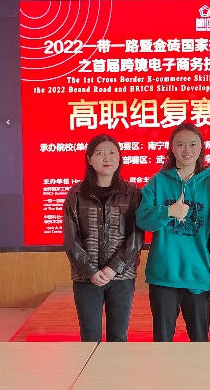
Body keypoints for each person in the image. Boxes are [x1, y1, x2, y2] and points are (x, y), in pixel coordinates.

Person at [136, 123, 210, 342]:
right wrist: (167, 212)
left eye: (193, 144)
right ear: (171, 148)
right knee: (162, 343)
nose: (187, 150)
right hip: (164, 274)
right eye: (180, 144)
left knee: (199, 342)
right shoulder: (158, 181)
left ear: (201, 147)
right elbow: (142, 220)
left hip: (198, 275)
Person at [63, 134, 144, 342]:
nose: (107, 158)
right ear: (89, 159)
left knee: (118, 338)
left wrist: (114, 267)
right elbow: (71, 240)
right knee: (90, 338)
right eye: (100, 153)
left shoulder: (133, 193)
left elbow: (136, 236)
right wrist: (90, 270)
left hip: (122, 277)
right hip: (85, 278)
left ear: (119, 157)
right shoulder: (76, 194)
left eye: (112, 153)